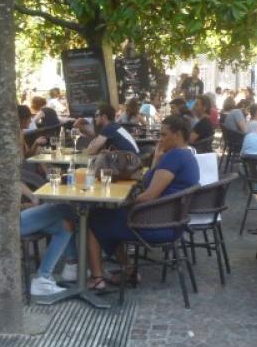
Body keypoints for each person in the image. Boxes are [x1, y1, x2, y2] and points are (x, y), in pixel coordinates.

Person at [0, 121, 77, 295]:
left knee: (66, 224)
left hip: (1, 219)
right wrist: (29, 204)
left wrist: (32, 196)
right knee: (64, 208)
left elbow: (13, 180)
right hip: (3, 224)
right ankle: (72, 267)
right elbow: (6, 202)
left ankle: (54, 274)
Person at [84, 115, 200, 288]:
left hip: (155, 226)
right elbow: (148, 182)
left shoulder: (174, 157)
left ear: (177, 134)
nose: (160, 139)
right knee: (111, 216)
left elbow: (149, 195)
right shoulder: (187, 155)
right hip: (172, 223)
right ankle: (128, 271)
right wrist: (157, 159)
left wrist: (126, 202)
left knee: (93, 218)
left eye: (163, 135)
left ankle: (97, 278)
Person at [75, 104, 139, 155]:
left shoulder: (108, 128)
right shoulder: (114, 126)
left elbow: (91, 151)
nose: (95, 118)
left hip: (130, 163)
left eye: (97, 115)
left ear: (104, 117)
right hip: (134, 161)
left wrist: (83, 150)